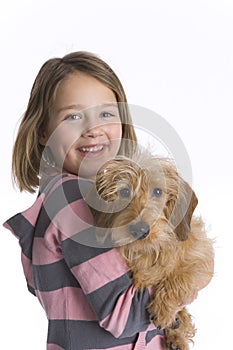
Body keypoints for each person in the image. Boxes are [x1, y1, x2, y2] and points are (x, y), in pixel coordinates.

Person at [3, 51, 167, 349]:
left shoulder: (54, 202)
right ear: (42, 131)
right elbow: (126, 314)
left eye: (106, 113)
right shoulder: (74, 199)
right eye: (73, 116)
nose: (93, 130)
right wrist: (187, 277)